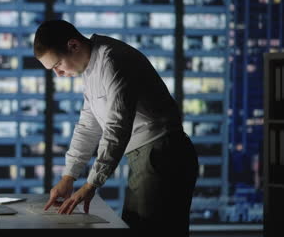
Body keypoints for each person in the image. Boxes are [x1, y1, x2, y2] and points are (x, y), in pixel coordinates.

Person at [34, 20, 198, 236]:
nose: (59, 74)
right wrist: (69, 177)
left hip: (161, 156)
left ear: (73, 45)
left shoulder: (112, 61)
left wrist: (91, 184)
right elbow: (88, 125)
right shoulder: (91, 71)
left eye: (57, 65)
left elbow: (117, 127)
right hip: (150, 158)